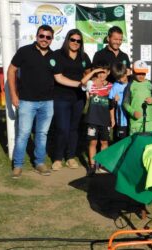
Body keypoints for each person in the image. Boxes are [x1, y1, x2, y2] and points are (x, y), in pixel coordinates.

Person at [7, 25, 83, 179]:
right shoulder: (24, 51)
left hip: (47, 102)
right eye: (42, 36)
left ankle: (40, 163)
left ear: (52, 39)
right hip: (27, 101)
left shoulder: (54, 56)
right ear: (37, 36)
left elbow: (59, 78)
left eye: (48, 37)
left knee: (42, 134)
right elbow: (11, 70)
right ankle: (18, 165)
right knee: (23, 134)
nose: (44, 39)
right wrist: (13, 95)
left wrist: (80, 84)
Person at [51, 29, 91, 171]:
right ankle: (57, 158)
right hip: (61, 97)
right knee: (62, 128)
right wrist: (79, 84)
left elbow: (88, 73)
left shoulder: (84, 57)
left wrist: (88, 86)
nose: (75, 43)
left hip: (78, 99)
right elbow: (58, 77)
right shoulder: (58, 55)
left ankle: (70, 157)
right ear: (67, 40)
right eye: (72, 39)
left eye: (78, 41)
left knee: (74, 129)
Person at [81, 61, 113, 176]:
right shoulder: (91, 83)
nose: (101, 75)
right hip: (92, 119)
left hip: (105, 119)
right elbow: (82, 82)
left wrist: (112, 118)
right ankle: (92, 166)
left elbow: (111, 105)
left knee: (104, 141)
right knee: (93, 142)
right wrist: (93, 71)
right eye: (99, 72)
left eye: (103, 72)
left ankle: (103, 165)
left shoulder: (111, 86)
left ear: (108, 73)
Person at [124, 60, 152, 135]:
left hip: (149, 121)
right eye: (138, 73)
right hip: (135, 121)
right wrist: (133, 112)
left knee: (150, 143)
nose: (141, 76)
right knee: (135, 143)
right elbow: (125, 103)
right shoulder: (130, 85)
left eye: (143, 73)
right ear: (133, 72)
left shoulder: (149, 83)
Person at [109, 62, 129, 142]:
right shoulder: (115, 86)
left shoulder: (132, 83)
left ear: (126, 72)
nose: (122, 79)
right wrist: (112, 119)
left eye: (123, 76)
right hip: (121, 119)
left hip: (132, 118)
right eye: (119, 78)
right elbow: (111, 105)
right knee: (122, 140)